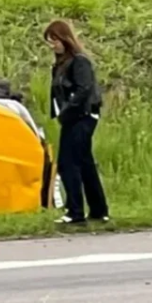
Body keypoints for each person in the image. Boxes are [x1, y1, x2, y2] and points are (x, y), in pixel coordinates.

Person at [45, 19, 109, 225]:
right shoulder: (60, 63)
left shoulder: (80, 61)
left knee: (67, 163)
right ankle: (99, 210)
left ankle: (75, 211)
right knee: (85, 163)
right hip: (73, 117)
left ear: (65, 39)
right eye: (49, 42)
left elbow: (84, 89)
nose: (52, 46)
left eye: (54, 41)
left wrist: (66, 111)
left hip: (82, 116)